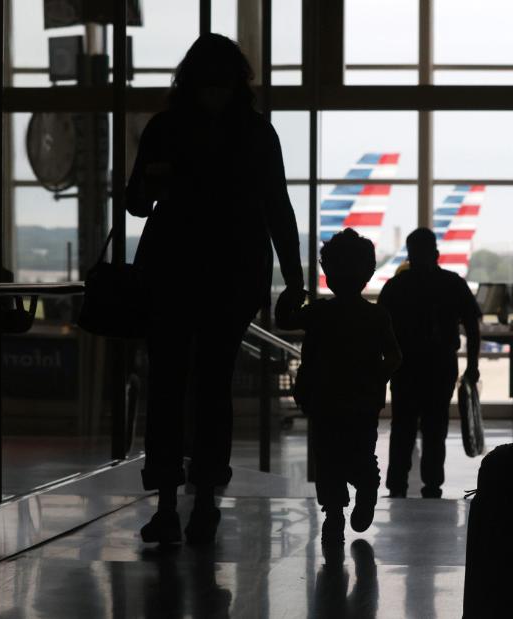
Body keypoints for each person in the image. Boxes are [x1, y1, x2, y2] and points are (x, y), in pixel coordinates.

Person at [127, 34, 304, 545]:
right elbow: (278, 207)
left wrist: (161, 184)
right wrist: (292, 278)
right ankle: (205, 499)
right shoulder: (255, 134)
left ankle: (166, 502)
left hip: (171, 271)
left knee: (167, 386)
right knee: (212, 387)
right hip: (234, 274)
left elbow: (137, 205)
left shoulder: (165, 129)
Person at [277, 229, 401, 544]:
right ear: (368, 274)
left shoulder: (319, 312)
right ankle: (367, 488)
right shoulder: (376, 315)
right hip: (362, 400)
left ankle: (334, 514)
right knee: (361, 452)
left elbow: (285, 321)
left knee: (327, 457)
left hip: (323, 398)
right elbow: (395, 356)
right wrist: (376, 378)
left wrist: (291, 295)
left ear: (328, 275)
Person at [377, 228, 481, 499]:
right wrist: (472, 365)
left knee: (403, 426)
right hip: (440, 365)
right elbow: (472, 326)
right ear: (436, 254)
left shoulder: (396, 287)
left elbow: (380, 329)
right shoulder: (453, 284)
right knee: (436, 427)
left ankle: (397, 483)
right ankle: (432, 482)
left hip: (405, 366)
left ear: (409, 256)